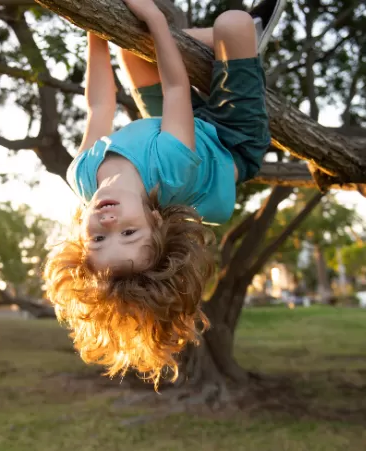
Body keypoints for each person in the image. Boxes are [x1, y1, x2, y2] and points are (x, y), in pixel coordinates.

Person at [43, 0, 287, 389]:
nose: (109, 223)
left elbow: (99, 105)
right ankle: (245, 42)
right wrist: (157, 18)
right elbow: (176, 88)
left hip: (168, 125)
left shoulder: (82, 175)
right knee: (234, 23)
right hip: (230, 137)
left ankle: (217, 53)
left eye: (99, 239)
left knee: (130, 44)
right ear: (155, 220)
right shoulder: (170, 167)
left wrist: (96, 31)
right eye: (129, 233)